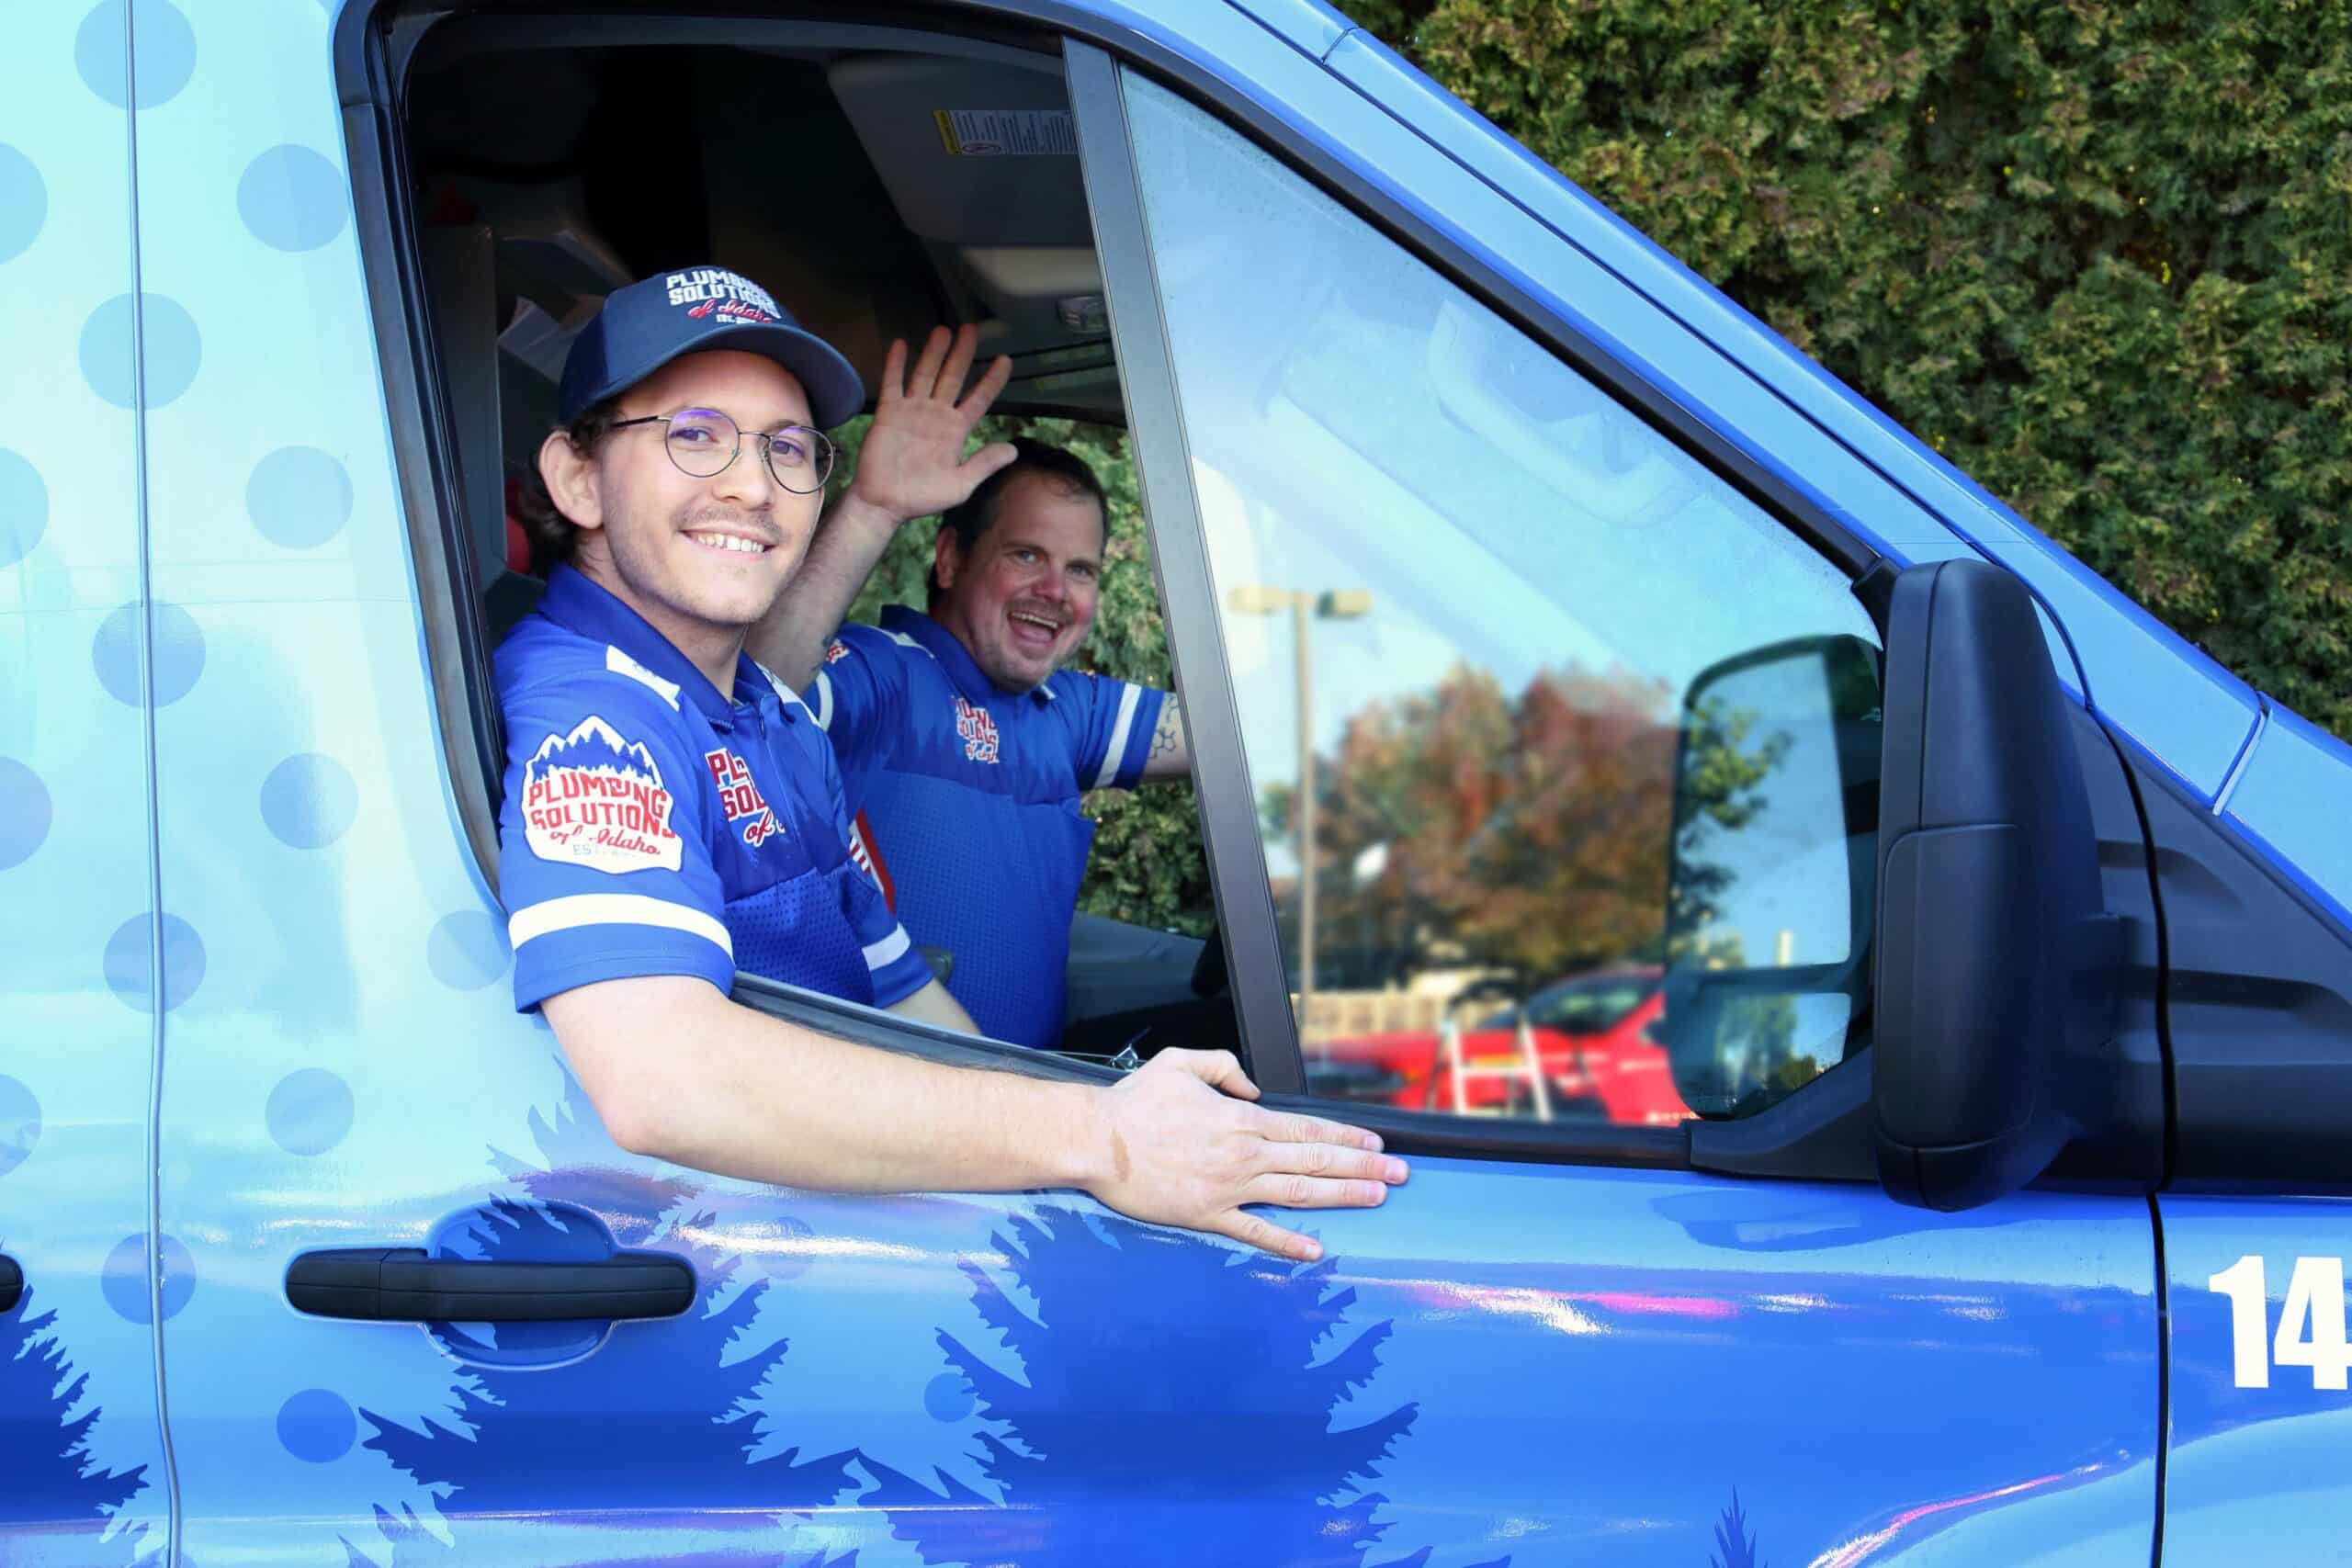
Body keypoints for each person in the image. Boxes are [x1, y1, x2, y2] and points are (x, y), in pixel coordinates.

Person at [496, 266, 1401, 1261]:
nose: (752, 486)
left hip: (862, 1229)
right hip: (739, 1266)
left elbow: (896, 990)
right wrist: (1096, 1135)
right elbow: (664, 1077)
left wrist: (1113, 1111)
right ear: (576, 476)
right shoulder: (599, 713)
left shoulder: (766, 716)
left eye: (788, 448)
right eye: (694, 435)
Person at [748, 331, 1188, 1048]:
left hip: (1035, 1126)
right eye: (1026, 554)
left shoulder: (1066, 713)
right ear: (950, 558)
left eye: (1081, 570)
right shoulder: (883, 673)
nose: (1056, 590)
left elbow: (1237, 742)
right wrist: (873, 509)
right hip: (899, 1127)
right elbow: (753, 693)